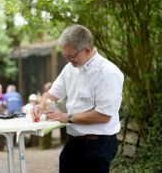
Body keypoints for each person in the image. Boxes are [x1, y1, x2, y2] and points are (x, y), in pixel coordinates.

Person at [32, 24, 124, 173]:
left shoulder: (108, 73)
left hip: (98, 144)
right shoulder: (70, 69)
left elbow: (104, 115)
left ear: (87, 50)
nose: (68, 60)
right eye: (65, 55)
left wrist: (67, 117)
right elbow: (51, 94)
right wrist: (40, 106)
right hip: (73, 141)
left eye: (72, 56)